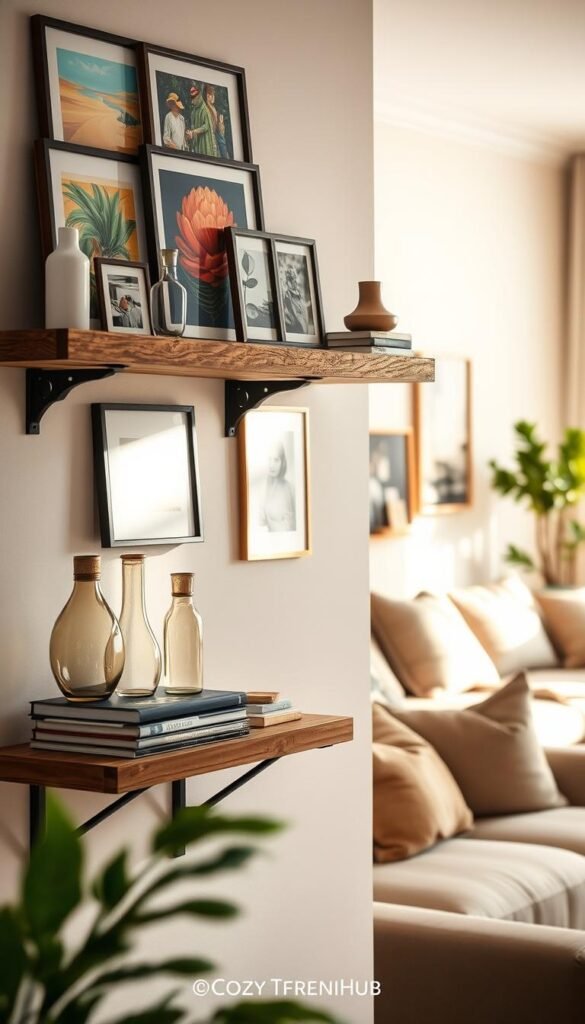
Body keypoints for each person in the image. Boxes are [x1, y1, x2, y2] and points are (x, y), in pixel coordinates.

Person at [259, 440, 296, 532]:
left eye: (276, 460)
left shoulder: (289, 489)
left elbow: (290, 527)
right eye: (269, 459)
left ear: (282, 462)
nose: (272, 465)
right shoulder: (261, 488)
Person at [186, 84, 219, 157]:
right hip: (197, 145)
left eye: (194, 97)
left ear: (199, 96)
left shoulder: (204, 109)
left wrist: (194, 131)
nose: (192, 101)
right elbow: (192, 127)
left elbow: (206, 126)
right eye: (191, 98)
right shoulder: (193, 112)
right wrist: (190, 133)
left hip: (206, 143)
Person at [281, 263, 309, 334]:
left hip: (301, 319)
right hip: (294, 321)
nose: (295, 282)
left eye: (295, 279)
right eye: (292, 280)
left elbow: (302, 307)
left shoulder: (298, 293)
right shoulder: (287, 294)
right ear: (288, 281)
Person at [204, 84, 228, 158]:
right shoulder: (206, 110)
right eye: (212, 94)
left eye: (213, 94)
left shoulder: (214, 109)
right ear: (207, 96)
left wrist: (221, 126)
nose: (213, 97)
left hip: (217, 136)